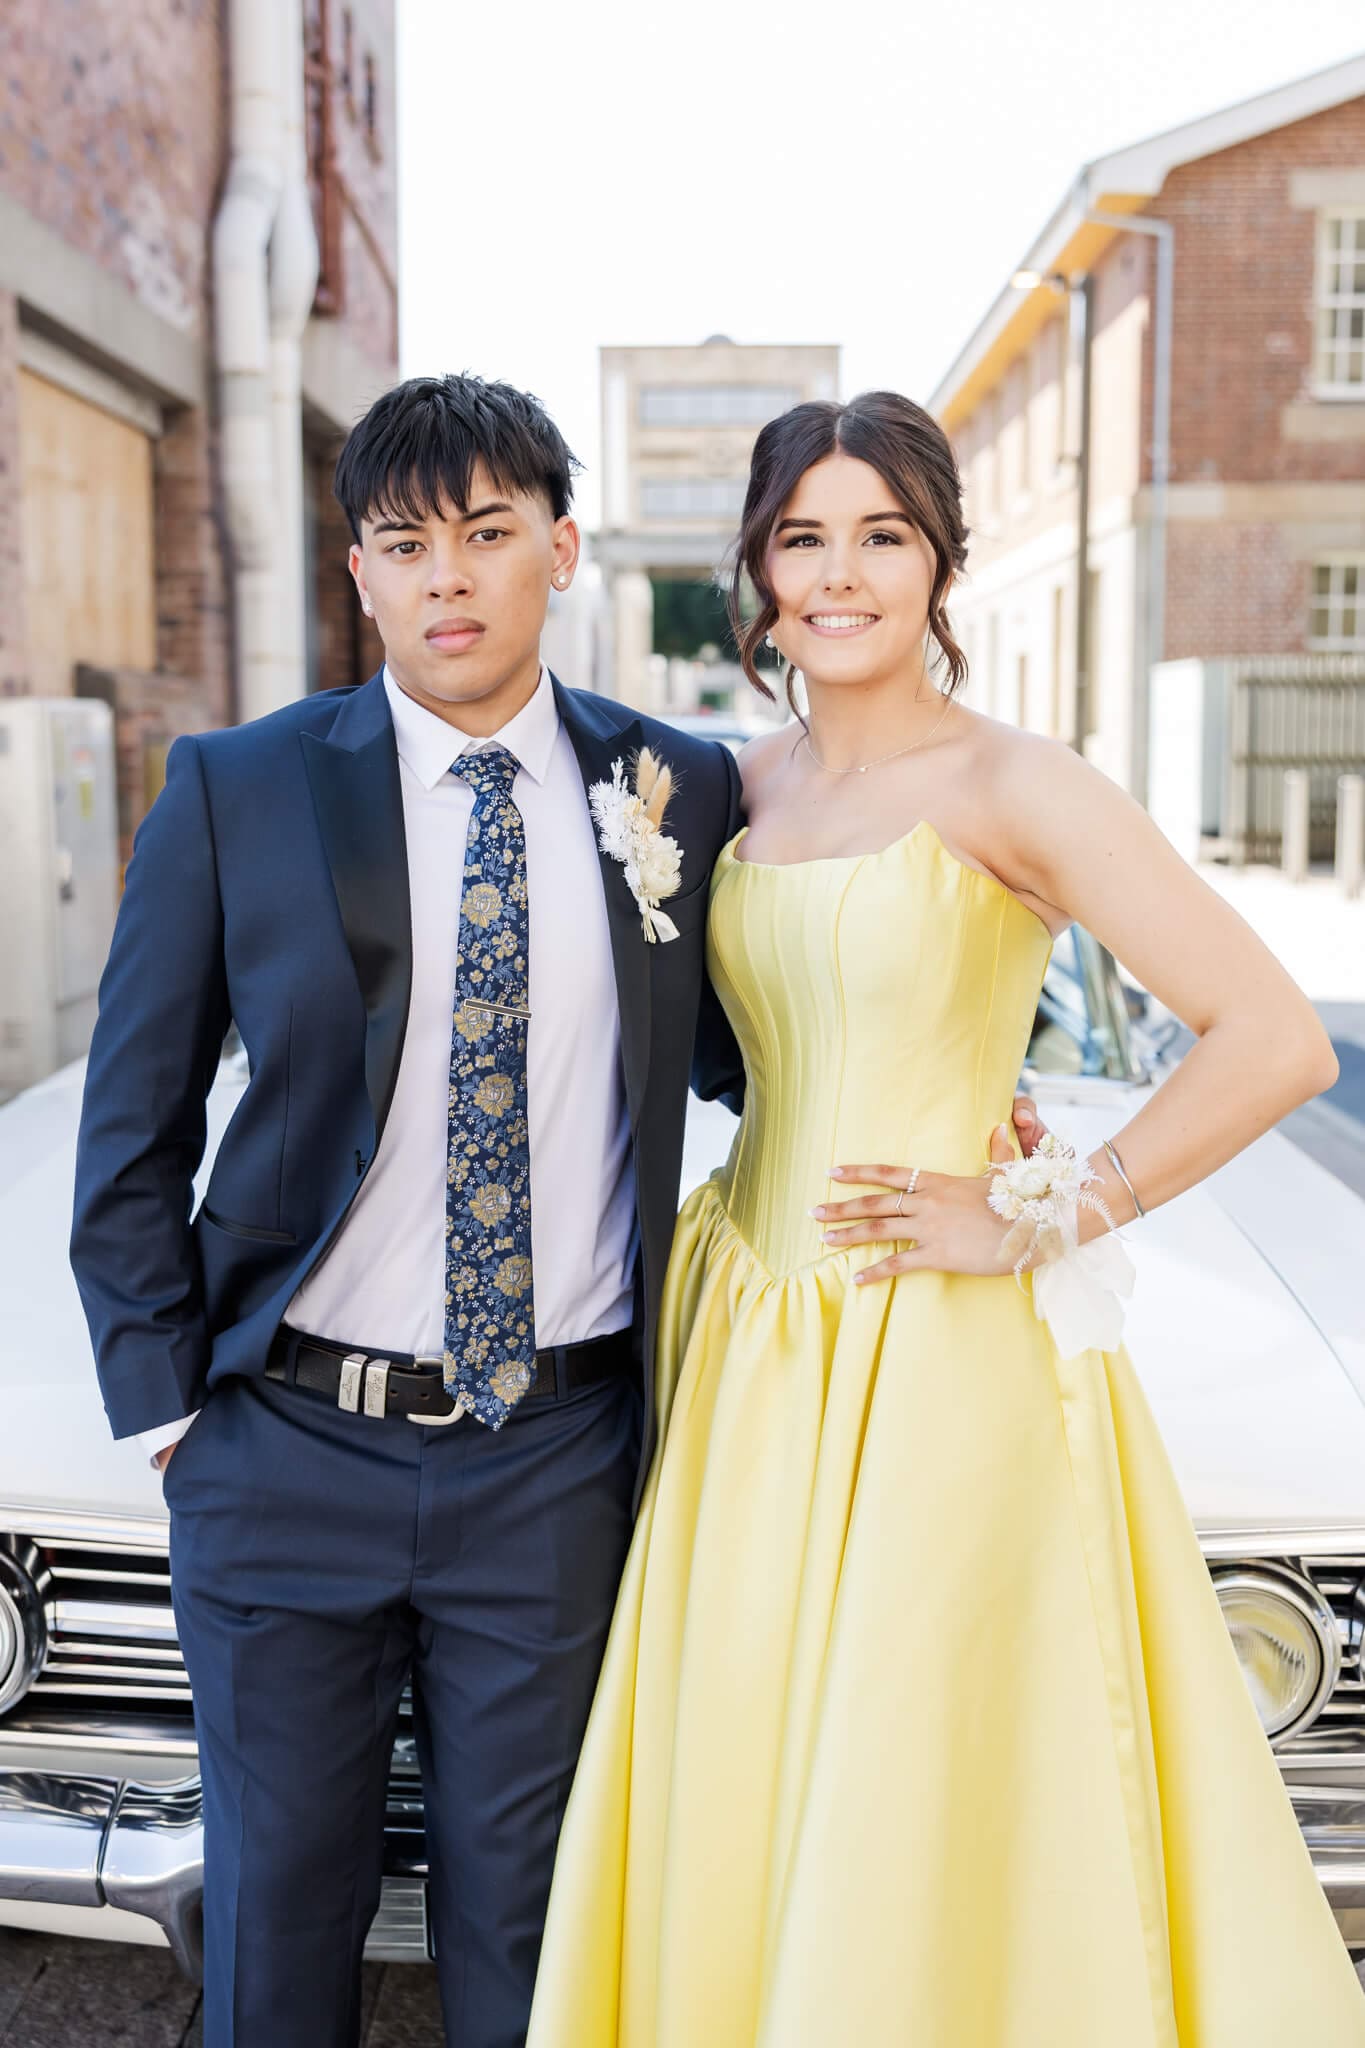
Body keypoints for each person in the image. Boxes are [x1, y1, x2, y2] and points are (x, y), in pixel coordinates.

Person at [527, 391, 1364, 2046]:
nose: (839, 575)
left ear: (939, 564)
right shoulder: (721, 789)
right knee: (757, 1746)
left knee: (918, 1766)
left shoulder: (1017, 786)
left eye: (881, 537)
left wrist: (1049, 1204)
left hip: (939, 1359)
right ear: (756, 574)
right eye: (804, 538)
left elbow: (1274, 1038)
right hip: (751, 1341)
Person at [72, 371, 831, 2048]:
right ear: (358, 575)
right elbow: (132, 1120)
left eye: (487, 533)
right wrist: (171, 1415)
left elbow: (748, 1042)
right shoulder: (237, 788)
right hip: (285, 1445)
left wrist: (920, 1084)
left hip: (551, 1455)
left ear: (559, 550)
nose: (447, 577)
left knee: (532, 1926)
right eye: (404, 543)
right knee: (278, 1918)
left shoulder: (677, 792)